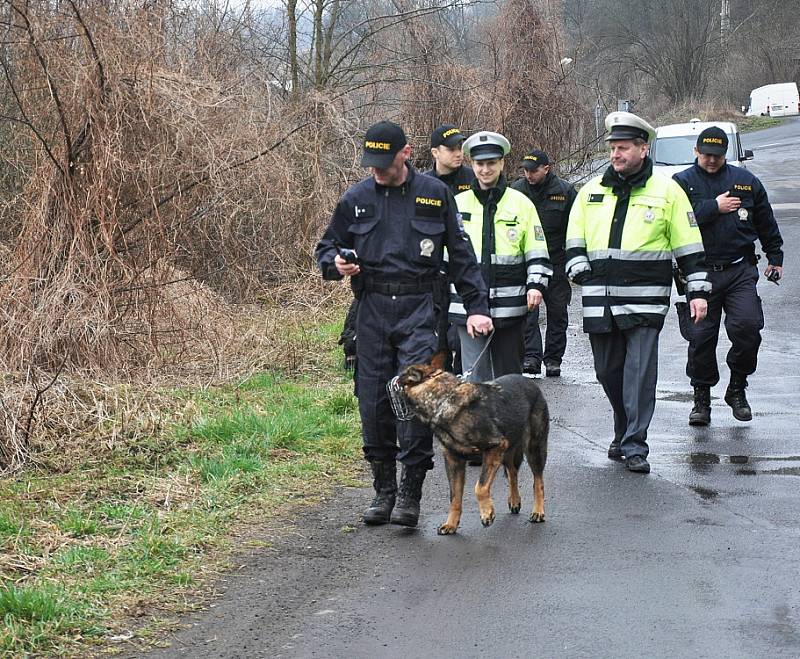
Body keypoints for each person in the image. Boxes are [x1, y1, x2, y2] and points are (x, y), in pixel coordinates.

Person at [315, 120, 493, 528]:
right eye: (371, 163)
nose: (377, 170)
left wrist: (477, 306)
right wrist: (335, 263)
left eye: (385, 162)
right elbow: (326, 247)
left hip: (420, 309)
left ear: (406, 154)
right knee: (374, 400)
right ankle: (384, 490)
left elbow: (462, 256)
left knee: (413, 398)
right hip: (372, 309)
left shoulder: (435, 195)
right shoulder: (356, 198)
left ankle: (410, 492)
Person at [565, 111, 710, 474]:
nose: (616, 154)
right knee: (606, 372)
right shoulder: (590, 192)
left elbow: (689, 245)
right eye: (613, 147)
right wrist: (576, 264)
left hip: (647, 299)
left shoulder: (667, 191)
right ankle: (622, 424)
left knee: (640, 373)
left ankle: (635, 444)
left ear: (643, 149)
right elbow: (574, 239)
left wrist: (698, 292)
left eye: (624, 147)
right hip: (600, 299)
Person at [673, 126, 784, 426]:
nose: (712, 161)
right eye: (707, 155)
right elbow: (671, 222)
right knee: (701, 339)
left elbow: (765, 219)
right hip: (699, 272)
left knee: (748, 328)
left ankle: (737, 388)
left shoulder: (744, 181)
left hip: (738, 269)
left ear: (726, 154)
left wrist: (775, 256)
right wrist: (714, 207)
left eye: (718, 156)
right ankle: (701, 398)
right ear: (696, 152)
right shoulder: (680, 183)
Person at [450, 131, 552, 384]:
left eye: (491, 163)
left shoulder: (521, 204)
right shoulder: (458, 204)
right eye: (480, 164)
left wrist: (536, 285)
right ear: (471, 164)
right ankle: (478, 426)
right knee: (474, 385)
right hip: (467, 310)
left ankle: (510, 426)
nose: (485, 170)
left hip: (510, 308)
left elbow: (537, 250)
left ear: (502, 163)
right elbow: (445, 258)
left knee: (509, 383)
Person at [511, 149, 577, 377]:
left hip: (556, 260)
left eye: (534, 170)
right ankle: (531, 357)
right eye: (526, 170)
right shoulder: (516, 191)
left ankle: (553, 359)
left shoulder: (565, 191)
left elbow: (575, 227)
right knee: (528, 312)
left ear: (546, 168)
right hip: (526, 261)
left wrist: (573, 260)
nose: (529, 175)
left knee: (558, 312)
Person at [424, 124, 476, 375]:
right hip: (434, 274)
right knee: (437, 339)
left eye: (460, 148)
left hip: (464, 269)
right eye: (451, 149)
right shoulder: (422, 185)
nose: (458, 153)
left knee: (463, 337)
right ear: (435, 152)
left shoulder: (473, 180)